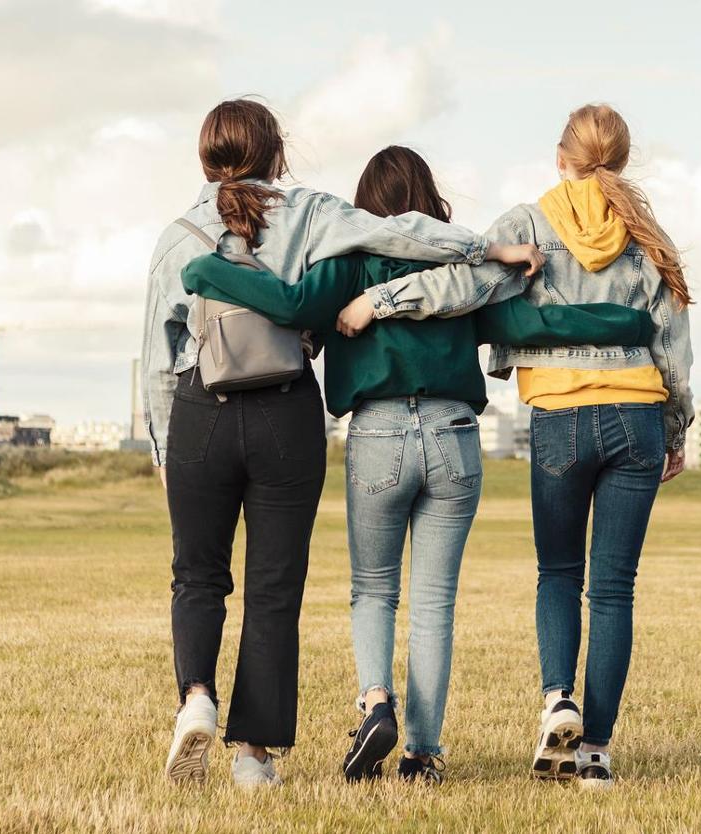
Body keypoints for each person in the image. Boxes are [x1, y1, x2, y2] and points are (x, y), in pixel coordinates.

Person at [181, 145, 655, 784]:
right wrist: (630, 321)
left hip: (377, 434)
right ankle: (423, 754)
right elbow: (539, 320)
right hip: (454, 436)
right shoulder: (464, 273)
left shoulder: (346, 264)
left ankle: (376, 704)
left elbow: (288, 301)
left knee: (374, 590)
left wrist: (208, 272)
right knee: (435, 603)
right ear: (432, 203)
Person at [140, 98, 545, 788]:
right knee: (276, 586)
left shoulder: (179, 234)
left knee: (199, 575)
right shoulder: (314, 214)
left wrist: (161, 447)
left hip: (201, 412)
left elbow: (158, 354)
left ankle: (198, 699)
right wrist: (492, 249)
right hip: (288, 413)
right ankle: (256, 757)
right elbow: (409, 235)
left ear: (206, 158)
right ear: (277, 153)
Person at [335, 105, 694, 787]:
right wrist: (676, 425)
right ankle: (594, 755)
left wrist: (378, 303)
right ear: (619, 161)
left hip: (561, 412)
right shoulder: (648, 232)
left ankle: (557, 697)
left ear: (561, 158)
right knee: (615, 589)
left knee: (560, 573)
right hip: (639, 412)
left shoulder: (528, 224)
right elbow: (674, 341)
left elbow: (460, 283)